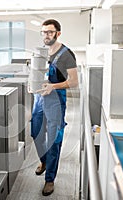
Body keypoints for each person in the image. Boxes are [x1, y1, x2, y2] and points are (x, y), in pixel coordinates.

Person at [29, 19, 78, 196]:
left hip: (56, 99)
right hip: (40, 97)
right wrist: (31, 84)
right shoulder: (40, 52)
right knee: (35, 132)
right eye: (44, 32)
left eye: (50, 32)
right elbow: (35, 73)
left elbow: (74, 81)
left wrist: (53, 86)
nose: (46, 35)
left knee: (54, 139)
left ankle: (50, 179)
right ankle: (44, 161)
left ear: (58, 33)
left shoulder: (67, 54)